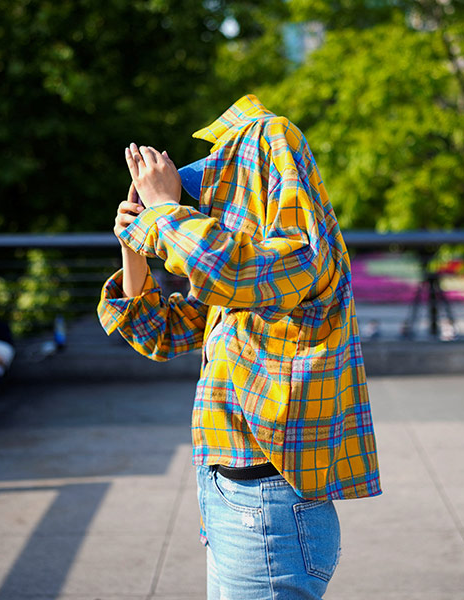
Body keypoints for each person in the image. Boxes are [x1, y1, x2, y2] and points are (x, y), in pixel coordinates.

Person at [97, 95, 381, 598]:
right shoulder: (245, 281)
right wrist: (134, 243)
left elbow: (225, 265)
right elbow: (159, 334)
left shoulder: (299, 258)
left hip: (269, 509)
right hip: (239, 501)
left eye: (223, 186)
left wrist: (164, 212)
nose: (210, 200)